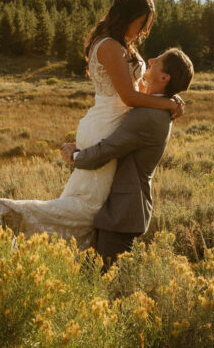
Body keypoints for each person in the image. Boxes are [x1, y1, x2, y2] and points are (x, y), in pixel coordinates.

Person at [0, 0, 183, 247]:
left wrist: (170, 99)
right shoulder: (111, 47)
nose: (142, 32)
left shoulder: (121, 44)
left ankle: (58, 253)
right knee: (89, 207)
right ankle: (15, 212)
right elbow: (128, 96)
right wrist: (167, 104)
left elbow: (139, 90)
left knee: (88, 201)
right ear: (127, 17)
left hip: (112, 123)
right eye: (140, 24)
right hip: (107, 125)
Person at [62, 47, 194, 269]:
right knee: (93, 275)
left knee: (103, 281)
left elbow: (108, 150)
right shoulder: (156, 107)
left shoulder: (150, 116)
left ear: (164, 77)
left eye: (158, 60)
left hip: (122, 212)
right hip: (116, 208)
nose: (150, 59)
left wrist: (75, 156)